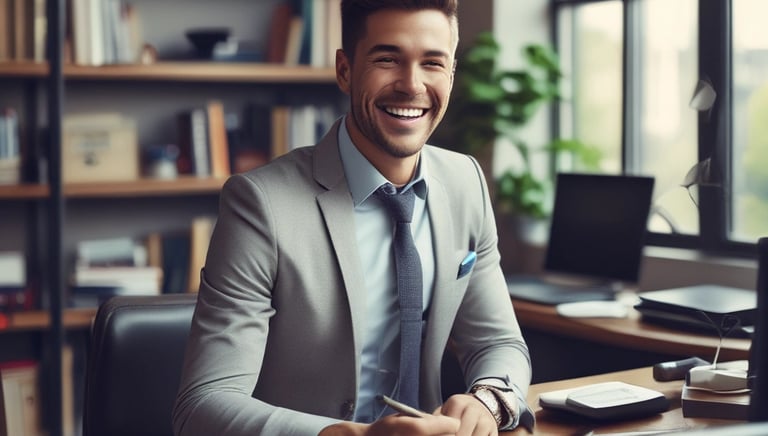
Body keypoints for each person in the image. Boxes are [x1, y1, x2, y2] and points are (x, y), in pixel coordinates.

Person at [172, 1, 533, 435]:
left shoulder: (466, 182)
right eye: (387, 59)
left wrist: (489, 399)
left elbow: (499, 342)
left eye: (432, 63)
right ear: (345, 70)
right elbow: (203, 405)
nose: (412, 85)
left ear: (451, 74)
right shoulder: (260, 204)